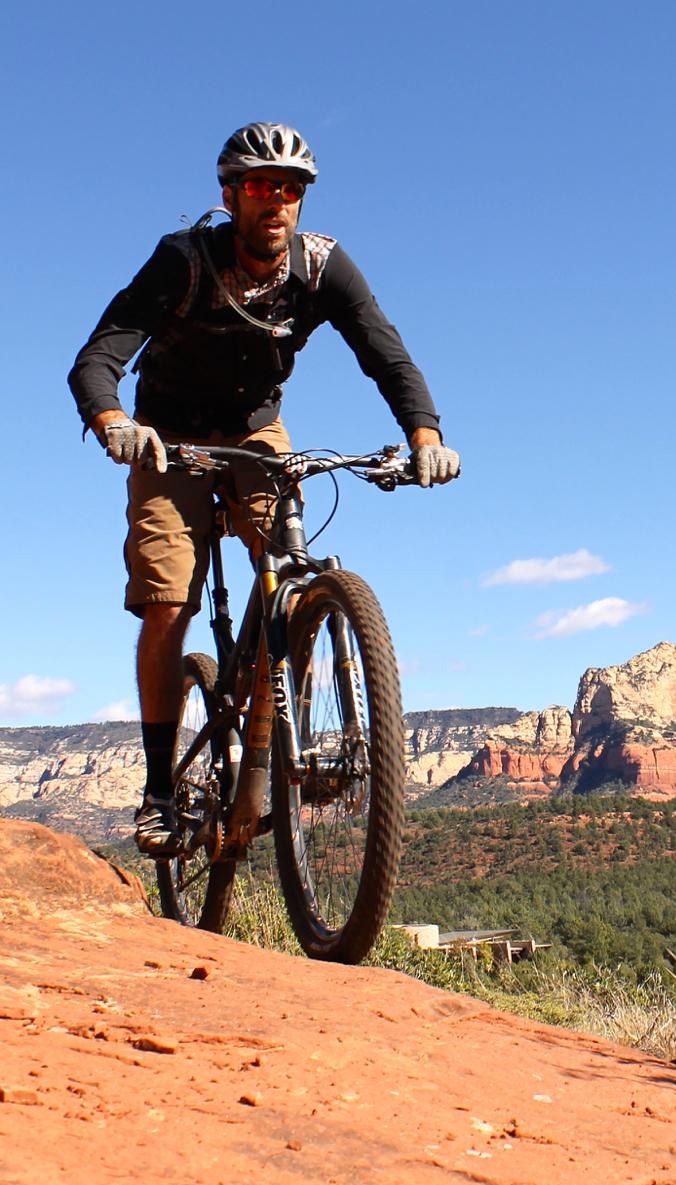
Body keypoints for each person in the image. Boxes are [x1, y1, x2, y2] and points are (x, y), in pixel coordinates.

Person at [68, 122, 459, 856]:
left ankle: (271, 718)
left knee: (287, 556)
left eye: (290, 188)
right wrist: (114, 420)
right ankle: (159, 790)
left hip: (255, 431)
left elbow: (386, 352)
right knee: (166, 600)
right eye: (258, 186)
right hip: (167, 434)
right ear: (229, 194)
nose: (275, 201)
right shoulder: (183, 261)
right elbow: (98, 358)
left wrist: (425, 438)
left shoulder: (321, 267)